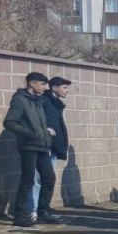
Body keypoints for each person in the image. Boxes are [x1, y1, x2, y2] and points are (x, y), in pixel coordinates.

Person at [4, 72, 60, 227]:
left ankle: (43, 211)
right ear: (32, 83)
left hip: (42, 145)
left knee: (49, 178)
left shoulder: (38, 101)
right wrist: (30, 133)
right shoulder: (19, 100)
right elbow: (9, 122)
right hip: (28, 146)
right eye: (42, 84)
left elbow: (39, 123)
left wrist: (45, 131)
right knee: (28, 180)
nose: (44, 87)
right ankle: (20, 216)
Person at [36, 76, 71, 217]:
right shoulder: (44, 101)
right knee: (39, 179)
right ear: (54, 88)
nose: (67, 91)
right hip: (44, 145)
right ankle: (35, 210)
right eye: (64, 87)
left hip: (54, 145)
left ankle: (44, 208)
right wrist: (46, 131)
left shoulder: (56, 103)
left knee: (49, 178)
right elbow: (38, 121)